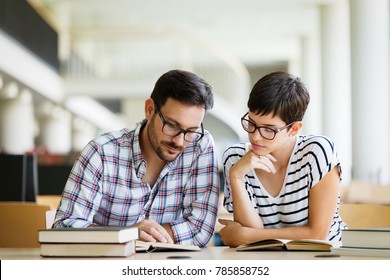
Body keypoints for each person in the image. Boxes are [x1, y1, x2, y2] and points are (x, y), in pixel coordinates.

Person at [52, 69, 220, 248]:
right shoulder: (101, 152)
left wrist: (141, 237)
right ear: (150, 110)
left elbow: (201, 231)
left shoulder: (200, 146)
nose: (179, 140)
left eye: (191, 131)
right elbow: (63, 229)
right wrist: (127, 235)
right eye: (171, 125)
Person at [219, 71, 346, 247]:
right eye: (251, 123)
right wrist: (236, 176)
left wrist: (248, 237)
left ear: (293, 129)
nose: (255, 137)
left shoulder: (316, 152)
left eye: (268, 130)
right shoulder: (235, 159)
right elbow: (251, 230)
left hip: (320, 260)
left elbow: (317, 234)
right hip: (266, 261)